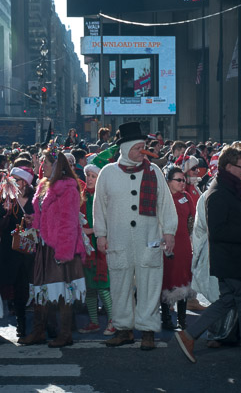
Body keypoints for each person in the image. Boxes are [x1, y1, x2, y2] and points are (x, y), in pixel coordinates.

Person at [175, 146, 241, 364]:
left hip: (231, 258)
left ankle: (189, 336)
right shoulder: (220, 193)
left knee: (229, 301)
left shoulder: (226, 188)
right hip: (234, 259)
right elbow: (218, 231)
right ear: (229, 167)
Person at [93, 122, 178, 351]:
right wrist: (100, 235)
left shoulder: (154, 172)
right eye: (136, 148)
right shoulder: (107, 173)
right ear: (124, 148)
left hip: (147, 239)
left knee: (150, 284)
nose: (141, 152)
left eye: (143, 147)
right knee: (119, 286)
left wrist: (169, 231)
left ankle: (148, 330)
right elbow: (98, 207)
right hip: (118, 240)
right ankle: (123, 330)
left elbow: (166, 205)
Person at [18, 148, 86, 348]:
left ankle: (65, 334)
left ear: (56, 165)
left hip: (60, 248)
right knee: (41, 289)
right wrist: (33, 221)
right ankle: (38, 331)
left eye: (45, 163)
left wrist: (64, 252)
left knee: (63, 291)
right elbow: (43, 215)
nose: (41, 167)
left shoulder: (68, 188)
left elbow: (69, 221)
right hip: (43, 246)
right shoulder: (43, 185)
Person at [0, 166, 36, 338]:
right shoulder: (6, 197)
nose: (12, 182)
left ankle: (43, 324)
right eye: (11, 178)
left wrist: (34, 220)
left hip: (31, 247)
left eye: (16, 179)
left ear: (25, 182)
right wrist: (4, 210)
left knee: (32, 284)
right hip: (11, 248)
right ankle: (21, 324)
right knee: (17, 287)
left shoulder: (35, 197)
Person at [78, 163, 115, 336]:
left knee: (102, 285)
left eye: (93, 176)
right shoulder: (82, 196)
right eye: (88, 176)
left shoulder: (105, 196)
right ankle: (94, 321)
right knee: (90, 287)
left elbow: (111, 220)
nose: (90, 179)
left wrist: (92, 230)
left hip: (101, 245)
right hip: (86, 247)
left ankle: (113, 321)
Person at [161, 167, 195, 331]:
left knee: (184, 279)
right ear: (168, 181)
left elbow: (192, 220)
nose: (183, 183)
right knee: (166, 279)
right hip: (167, 245)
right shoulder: (161, 198)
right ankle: (166, 318)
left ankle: (182, 319)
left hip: (184, 245)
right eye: (179, 180)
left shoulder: (186, 197)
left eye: (184, 180)